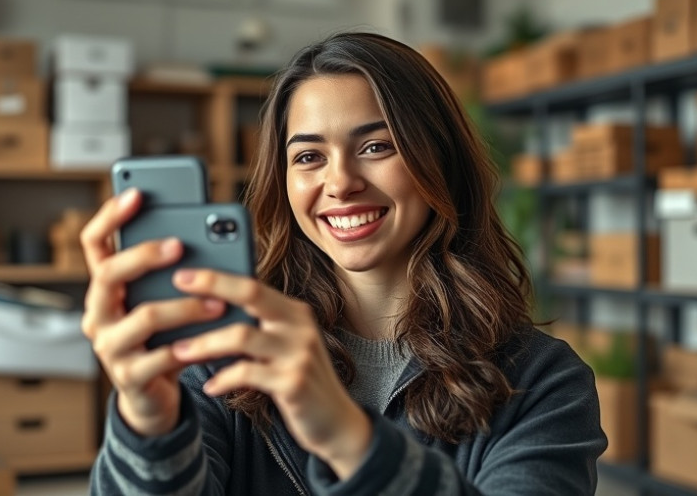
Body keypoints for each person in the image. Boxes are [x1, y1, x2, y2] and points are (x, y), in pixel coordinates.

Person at [81, 31, 606, 495]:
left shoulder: (542, 381)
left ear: (439, 160)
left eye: (376, 146)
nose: (340, 183)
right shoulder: (220, 357)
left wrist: (348, 438)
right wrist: (148, 426)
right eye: (309, 157)